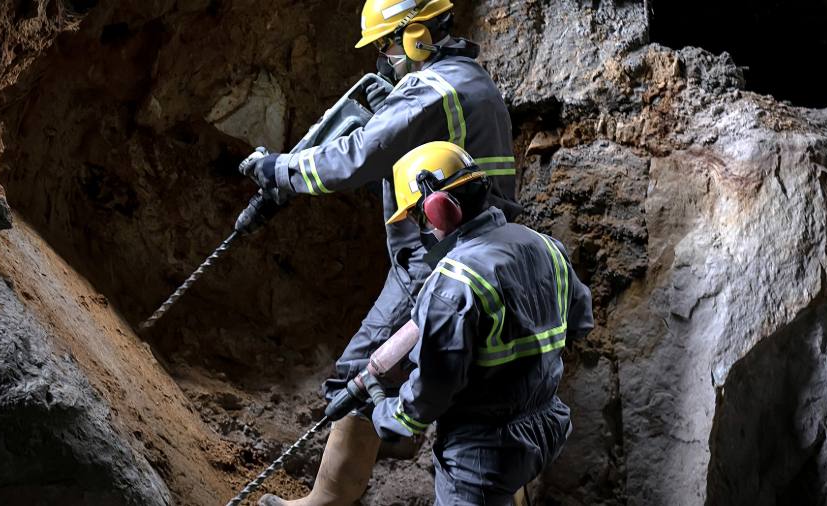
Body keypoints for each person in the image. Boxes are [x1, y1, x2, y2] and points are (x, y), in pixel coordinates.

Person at [241, 1, 523, 504]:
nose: (383, 55)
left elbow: (355, 157)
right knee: (489, 405)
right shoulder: (472, 81)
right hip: (478, 250)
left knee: (358, 374)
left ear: (416, 36)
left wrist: (281, 170)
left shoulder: (431, 89)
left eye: (386, 44)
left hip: (437, 265)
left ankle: (326, 501)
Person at [372, 141, 594, 505]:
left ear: (438, 209)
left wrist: (391, 414)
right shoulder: (546, 246)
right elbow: (579, 323)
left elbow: (433, 389)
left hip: (483, 454)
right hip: (544, 427)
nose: (421, 228)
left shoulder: (453, 281)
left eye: (417, 217)